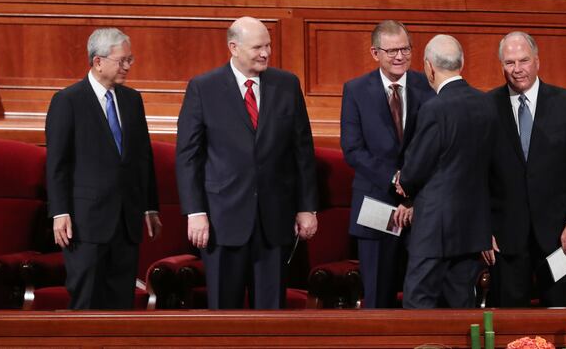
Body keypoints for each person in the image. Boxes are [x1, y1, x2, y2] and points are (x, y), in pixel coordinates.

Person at [176, 16, 318, 309]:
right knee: (223, 312)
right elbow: (188, 155)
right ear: (234, 47)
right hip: (222, 219)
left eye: (268, 45)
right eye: (257, 47)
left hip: (274, 219)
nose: (265, 53)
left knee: (271, 314)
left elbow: (302, 151)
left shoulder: (287, 84)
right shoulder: (204, 87)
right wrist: (195, 212)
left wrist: (306, 207)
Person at [45, 27, 161, 310]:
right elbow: (57, 163)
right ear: (98, 62)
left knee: (121, 304)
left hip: (126, 222)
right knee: (86, 301)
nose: (127, 67)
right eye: (122, 60)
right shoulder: (68, 101)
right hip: (86, 224)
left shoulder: (132, 100)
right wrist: (60, 212)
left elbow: (143, 158)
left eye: (129, 60)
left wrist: (149, 206)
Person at [483, 31, 566, 307]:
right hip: (506, 240)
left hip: (561, 238)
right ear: (501, 65)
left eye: (523, 60)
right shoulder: (486, 106)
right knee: (509, 327)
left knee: (561, 320)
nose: (517, 69)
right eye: (510, 62)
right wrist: (482, 228)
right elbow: (476, 174)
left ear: (537, 61)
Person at [396, 34, 496, 309]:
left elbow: (415, 168)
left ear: (428, 67)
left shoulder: (435, 109)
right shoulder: (487, 103)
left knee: (419, 302)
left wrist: (403, 182)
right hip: (472, 228)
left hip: (434, 228)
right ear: (461, 63)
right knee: (461, 305)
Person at [340, 20, 433, 308]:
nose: (399, 56)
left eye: (405, 49)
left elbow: (434, 145)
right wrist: (395, 178)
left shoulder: (427, 86)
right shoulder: (356, 90)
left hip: (421, 208)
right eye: (391, 50)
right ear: (374, 52)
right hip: (376, 205)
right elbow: (353, 149)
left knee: (421, 296)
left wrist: (413, 189)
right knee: (377, 298)